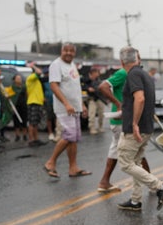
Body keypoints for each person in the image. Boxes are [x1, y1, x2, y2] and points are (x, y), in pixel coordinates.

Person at [115, 46, 163, 211]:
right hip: (146, 126)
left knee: (125, 163)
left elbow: (139, 99)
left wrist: (133, 124)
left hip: (136, 129)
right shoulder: (144, 74)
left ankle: (160, 186)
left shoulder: (133, 74)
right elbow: (139, 101)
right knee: (136, 163)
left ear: (121, 61)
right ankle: (135, 200)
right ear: (137, 59)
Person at [97, 61, 151, 193]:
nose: (138, 61)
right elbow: (103, 86)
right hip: (122, 119)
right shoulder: (123, 73)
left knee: (117, 149)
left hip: (123, 119)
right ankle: (152, 183)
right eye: (136, 58)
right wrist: (118, 103)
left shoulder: (133, 74)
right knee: (136, 149)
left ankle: (104, 181)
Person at [43, 43, 92, 178]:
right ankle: (50, 162)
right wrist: (66, 104)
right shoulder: (56, 65)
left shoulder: (72, 65)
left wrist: (81, 105)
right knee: (69, 135)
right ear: (61, 51)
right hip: (65, 108)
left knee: (74, 138)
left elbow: (75, 88)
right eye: (66, 50)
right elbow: (54, 85)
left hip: (74, 107)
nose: (68, 53)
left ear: (74, 53)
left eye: (71, 51)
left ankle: (73, 168)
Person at [25, 63, 48, 147]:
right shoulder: (30, 78)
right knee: (32, 122)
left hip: (37, 102)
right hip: (33, 102)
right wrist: (33, 66)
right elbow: (39, 72)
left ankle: (36, 139)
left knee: (36, 122)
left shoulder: (36, 80)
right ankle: (31, 140)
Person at [83, 67, 106, 134]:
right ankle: (92, 127)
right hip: (92, 99)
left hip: (99, 98)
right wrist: (88, 88)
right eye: (95, 73)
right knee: (91, 114)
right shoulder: (86, 80)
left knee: (101, 114)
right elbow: (82, 86)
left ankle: (100, 126)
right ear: (91, 74)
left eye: (97, 73)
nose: (97, 74)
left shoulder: (99, 81)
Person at [7, 74, 28, 141]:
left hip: (23, 105)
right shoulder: (12, 88)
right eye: (18, 78)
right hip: (15, 106)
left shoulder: (24, 87)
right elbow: (9, 96)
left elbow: (27, 95)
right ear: (14, 80)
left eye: (20, 78)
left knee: (24, 120)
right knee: (16, 121)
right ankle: (17, 135)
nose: (19, 79)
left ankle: (25, 135)